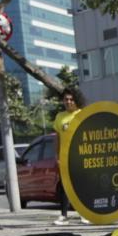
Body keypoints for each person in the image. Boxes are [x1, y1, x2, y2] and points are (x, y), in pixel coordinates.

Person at [51, 88, 84, 225]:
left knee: (81, 186)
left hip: (81, 156)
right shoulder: (60, 116)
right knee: (65, 186)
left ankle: (84, 214)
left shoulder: (82, 114)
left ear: (76, 100)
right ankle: (63, 216)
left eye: (71, 99)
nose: (68, 102)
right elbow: (57, 138)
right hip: (65, 157)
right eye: (66, 99)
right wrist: (57, 155)